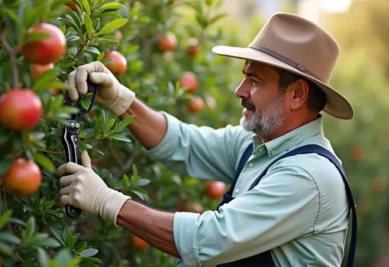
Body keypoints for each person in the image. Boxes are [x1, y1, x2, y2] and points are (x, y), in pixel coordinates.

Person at [57, 12, 357, 267]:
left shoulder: (308, 177)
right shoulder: (259, 145)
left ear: (297, 94)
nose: (240, 90)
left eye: (255, 80)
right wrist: (120, 100)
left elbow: (207, 239)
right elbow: (183, 143)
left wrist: (107, 201)